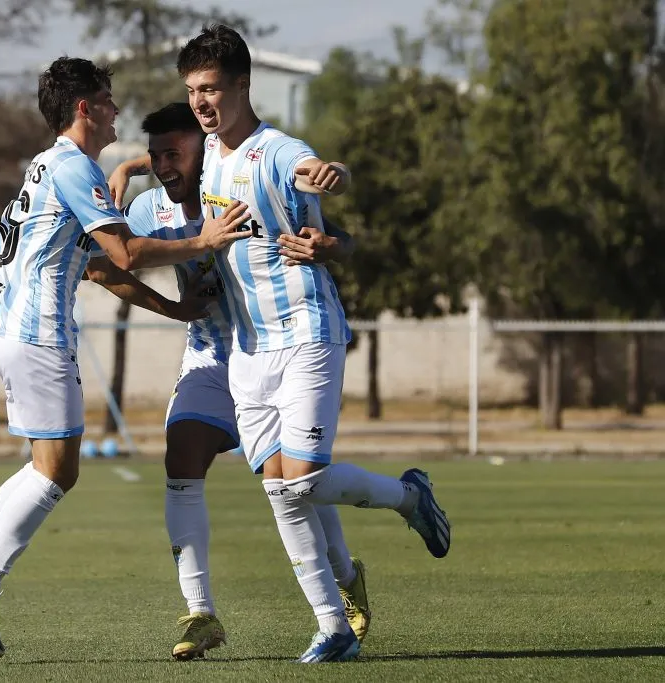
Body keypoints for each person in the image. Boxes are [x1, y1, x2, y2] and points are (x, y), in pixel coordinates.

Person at [0, 56, 252, 658]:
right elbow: (125, 253)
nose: (115, 110)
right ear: (85, 108)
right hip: (38, 332)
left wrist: (177, 310)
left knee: (41, 465)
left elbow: (101, 266)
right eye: (107, 100)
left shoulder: (52, 165)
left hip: (14, 329)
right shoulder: (72, 166)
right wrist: (202, 242)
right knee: (58, 470)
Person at [175, 25, 452, 663]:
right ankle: (333, 626)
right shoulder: (210, 154)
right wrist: (132, 166)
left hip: (306, 333)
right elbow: (167, 149)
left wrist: (334, 177)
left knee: (300, 482)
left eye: (211, 88)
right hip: (248, 348)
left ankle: (409, 496)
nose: (201, 102)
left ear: (243, 85)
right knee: (280, 490)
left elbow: (320, 171)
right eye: (193, 90)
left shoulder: (276, 150)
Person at [109, 102, 371, 661]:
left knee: (296, 478)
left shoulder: (234, 182)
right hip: (210, 353)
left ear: (203, 152)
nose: (162, 167)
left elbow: (337, 232)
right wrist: (175, 308)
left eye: (172, 155)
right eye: (155, 156)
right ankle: (200, 613)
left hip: (274, 346)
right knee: (182, 458)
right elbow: (106, 263)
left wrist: (333, 247)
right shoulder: (150, 207)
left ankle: (346, 577)